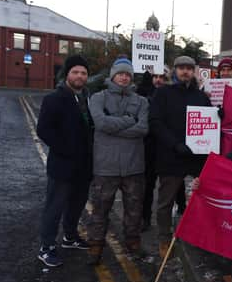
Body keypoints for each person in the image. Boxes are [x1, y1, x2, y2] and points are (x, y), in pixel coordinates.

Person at [149, 55, 213, 259]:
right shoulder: (163, 93)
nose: (185, 71)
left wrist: (217, 115)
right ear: (175, 71)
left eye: (189, 68)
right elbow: (156, 122)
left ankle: (198, 234)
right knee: (166, 201)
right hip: (171, 155)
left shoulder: (201, 96)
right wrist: (175, 144)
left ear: (194, 71)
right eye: (181, 68)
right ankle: (164, 238)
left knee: (200, 198)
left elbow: (208, 124)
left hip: (196, 157)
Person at [86, 58, 149, 264]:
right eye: (120, 73)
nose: (124, 77)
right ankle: (95, 246)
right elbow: (101, 123)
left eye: (128, 74)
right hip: (106, 166)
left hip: (133, 166)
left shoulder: (142, 101)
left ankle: (133, 243)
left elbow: (143, 129)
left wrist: (115, 126)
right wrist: (129, 120)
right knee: (100, 209)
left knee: (134, 210)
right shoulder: (98, 97)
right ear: (113, 75)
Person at [36, 55, 93, 267]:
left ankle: (70, 237)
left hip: (84, 166)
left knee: (76, 205)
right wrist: (67, 150)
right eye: (75, 72)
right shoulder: (54, 98)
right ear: (67, 74)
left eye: (84, 73)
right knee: (55, 207)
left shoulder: (88, 97)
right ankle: (46, 247)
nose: (80, 76)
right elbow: (43, 130)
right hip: (62, 165)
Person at [137, 66, 170, 232]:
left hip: (167, 148)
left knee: (170, 188)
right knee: (147, 186)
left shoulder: (171, 95)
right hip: (149, 148)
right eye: (155, 76)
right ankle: (145, 218)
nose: (159, 80)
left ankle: (168, 221)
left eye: (162, 77)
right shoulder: (142, 94)